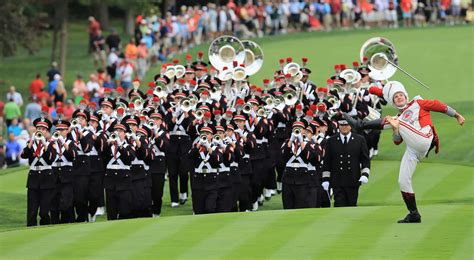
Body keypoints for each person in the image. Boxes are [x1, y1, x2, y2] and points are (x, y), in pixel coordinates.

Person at [345, 81, 465, 222]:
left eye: (401, 95)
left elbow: (438, 105)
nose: (399, 97)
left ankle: (361, 125)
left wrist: (456, 115)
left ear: (406, 96)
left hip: (425, 137)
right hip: (413, 148)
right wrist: (395, 128)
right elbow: (397, 141)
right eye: (396, 97)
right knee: (403, 180)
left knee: (396, 120)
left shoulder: (418, 103)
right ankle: (414, 214)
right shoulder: (399, 117)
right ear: (393, 102)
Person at [321, 119, 371, 207]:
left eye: (346, 125)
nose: (344, 127)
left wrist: (365, 174)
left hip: (353, 179)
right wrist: (325, 179)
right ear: (338, 126)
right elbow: (327, 161)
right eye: (342, 125)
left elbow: (365, 159)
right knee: (339, 204)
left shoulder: (359, 140)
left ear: (351, 126)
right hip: (337, 180)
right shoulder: (331, 141)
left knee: (352, 203)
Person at [21, 116, 57, 226]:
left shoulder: (51, 144)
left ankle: (45, 227)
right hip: (33, 178)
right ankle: (30, 230)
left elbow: (50, 159)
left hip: (46, 178)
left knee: (44, 211)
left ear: (47, 132)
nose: (40, 130)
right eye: (38, 128)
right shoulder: (30, 143)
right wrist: (32, 141)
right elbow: (23, 155)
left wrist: (44, 143)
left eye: (43, 129)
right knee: (32, 211)